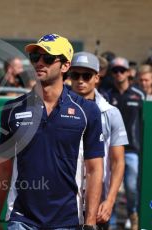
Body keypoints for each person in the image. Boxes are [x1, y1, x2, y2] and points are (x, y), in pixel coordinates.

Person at [0, 34, 104, 230]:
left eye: (48, 59)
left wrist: (90, 222)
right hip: (21, 218)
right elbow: (3, 168)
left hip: (67, 220)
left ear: (65, 66)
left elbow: (94, 170)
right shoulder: (12, 109)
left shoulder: (88, 111)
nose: (40, 63)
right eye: (35, 57)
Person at [70, 51, 128, 230]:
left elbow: (118, 162)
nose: (80, 80)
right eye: (75, 75)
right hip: (62, 201)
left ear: (97, 77)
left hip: (97, 202)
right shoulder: (55, 109)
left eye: (86, 75)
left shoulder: (111, 113)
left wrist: (110, 201)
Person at [108, 56, 145, 230]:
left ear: (128, 73)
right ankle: (112, 221)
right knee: (110, 186)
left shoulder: (139, 95)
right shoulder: (107, 95)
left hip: (131, 149)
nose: (118, 74)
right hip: (111, 148)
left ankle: (133, 214)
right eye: (115, 71)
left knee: (131, 187)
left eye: (122, 70)